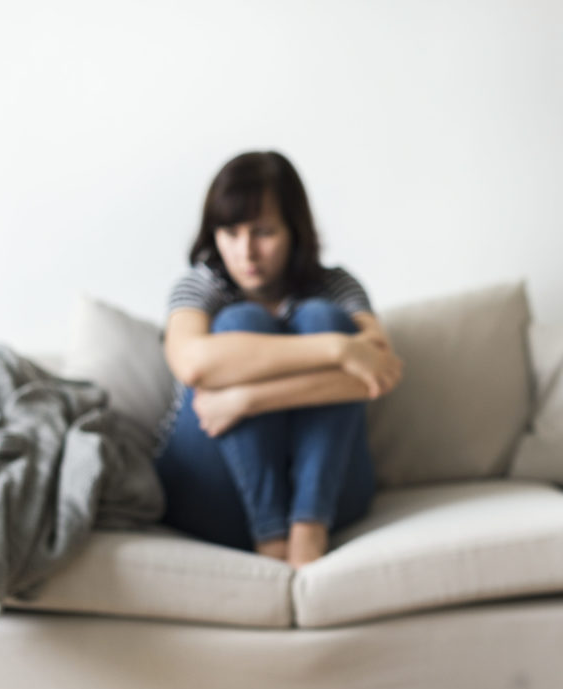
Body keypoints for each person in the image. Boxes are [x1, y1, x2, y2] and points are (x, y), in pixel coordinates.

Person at [154, 151, 403, 569]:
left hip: (328, 495)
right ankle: (271, 539)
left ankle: (307, 534)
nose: (246, 252)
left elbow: (382, 372)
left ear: (294, 230)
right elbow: (193, 364)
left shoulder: (336, 286)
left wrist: (244, 399)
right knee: (241, 320)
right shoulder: (199, 287)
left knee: (324, 317)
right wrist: (336, 350)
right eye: (230, 233)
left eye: (263, 232)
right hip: (214, 491)